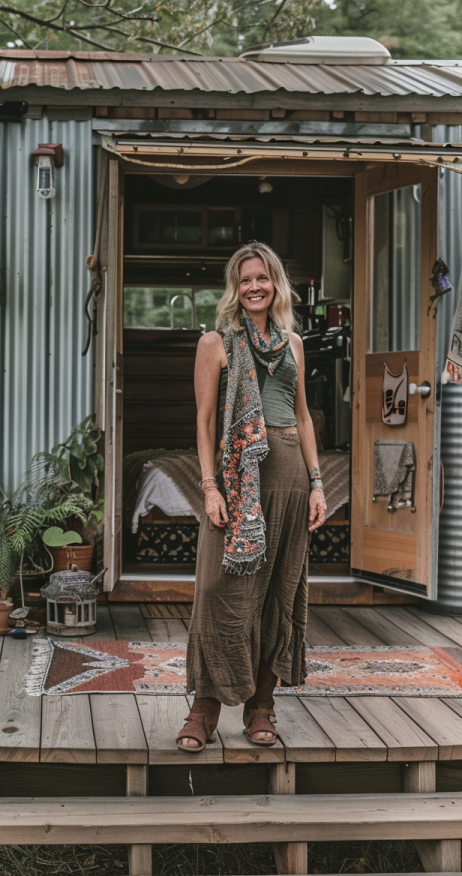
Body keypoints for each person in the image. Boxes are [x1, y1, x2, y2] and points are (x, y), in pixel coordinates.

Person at [176, 242, 327, 751]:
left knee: (279, 593)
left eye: (262, 278)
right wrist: (210, 486)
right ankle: (205, 709)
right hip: (240, 480)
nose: (255, 287)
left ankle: (262, 705)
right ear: (235, 289)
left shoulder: (293, 343)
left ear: (276, 283)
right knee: (221, 591)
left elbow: (303, 417)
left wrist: (318, 482)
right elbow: (202, 423)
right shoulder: (216, 343)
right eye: (245, 280)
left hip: (289, 481)